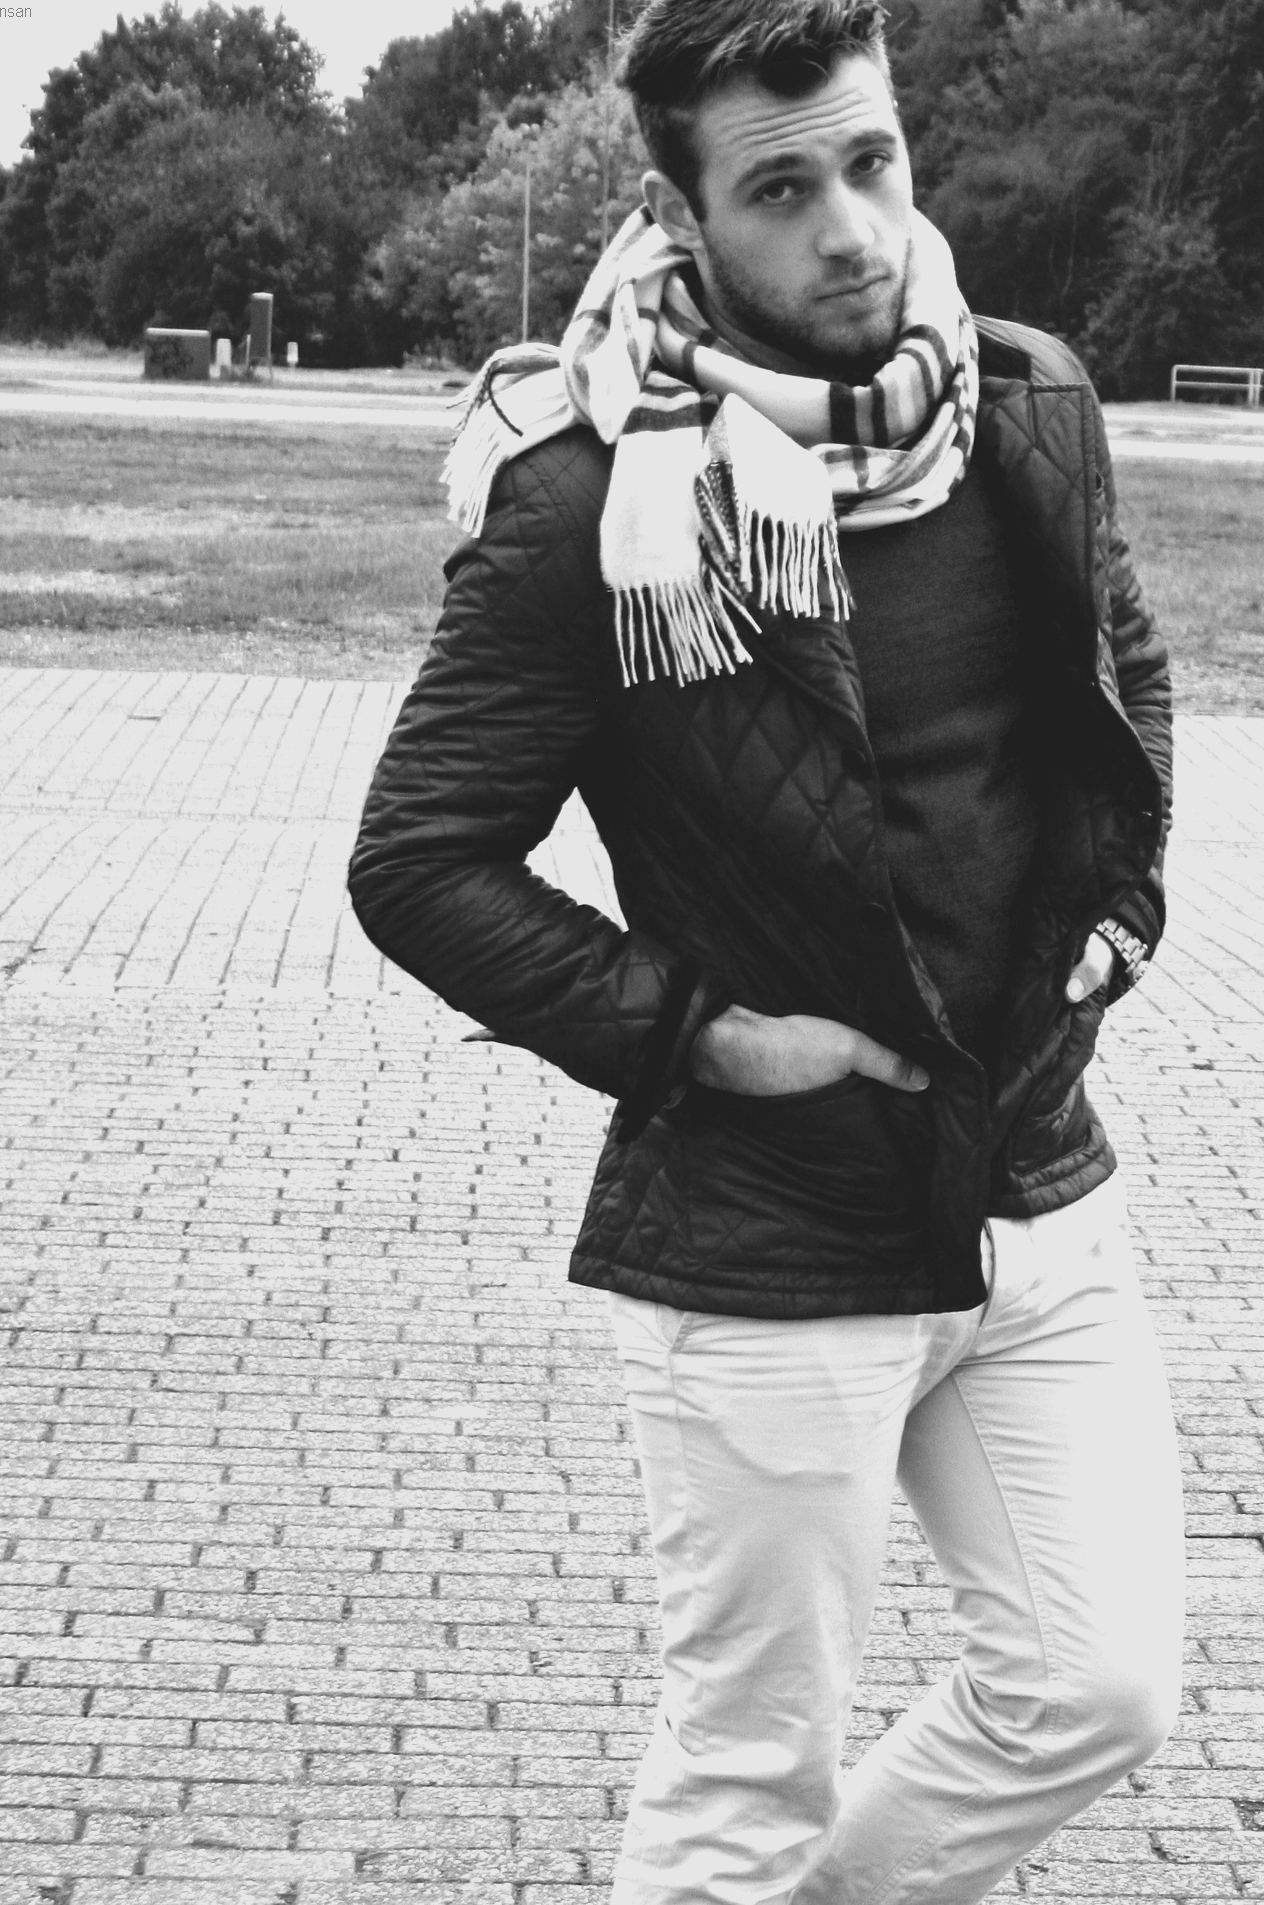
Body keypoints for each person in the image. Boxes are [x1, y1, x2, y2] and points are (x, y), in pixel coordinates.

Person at [348, 1, 1183, 1898]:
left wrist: (1126, 896)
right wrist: (707, 1036)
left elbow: (1122, 661)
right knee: (748, 1775)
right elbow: (418, 860)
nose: (851, 230)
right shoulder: (586, 497)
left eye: (871, 163)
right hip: (770, 1230)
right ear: (684, 214)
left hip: (1035, 1180)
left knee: (1098, 1687)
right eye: (781, 190)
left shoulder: (1027, 402)